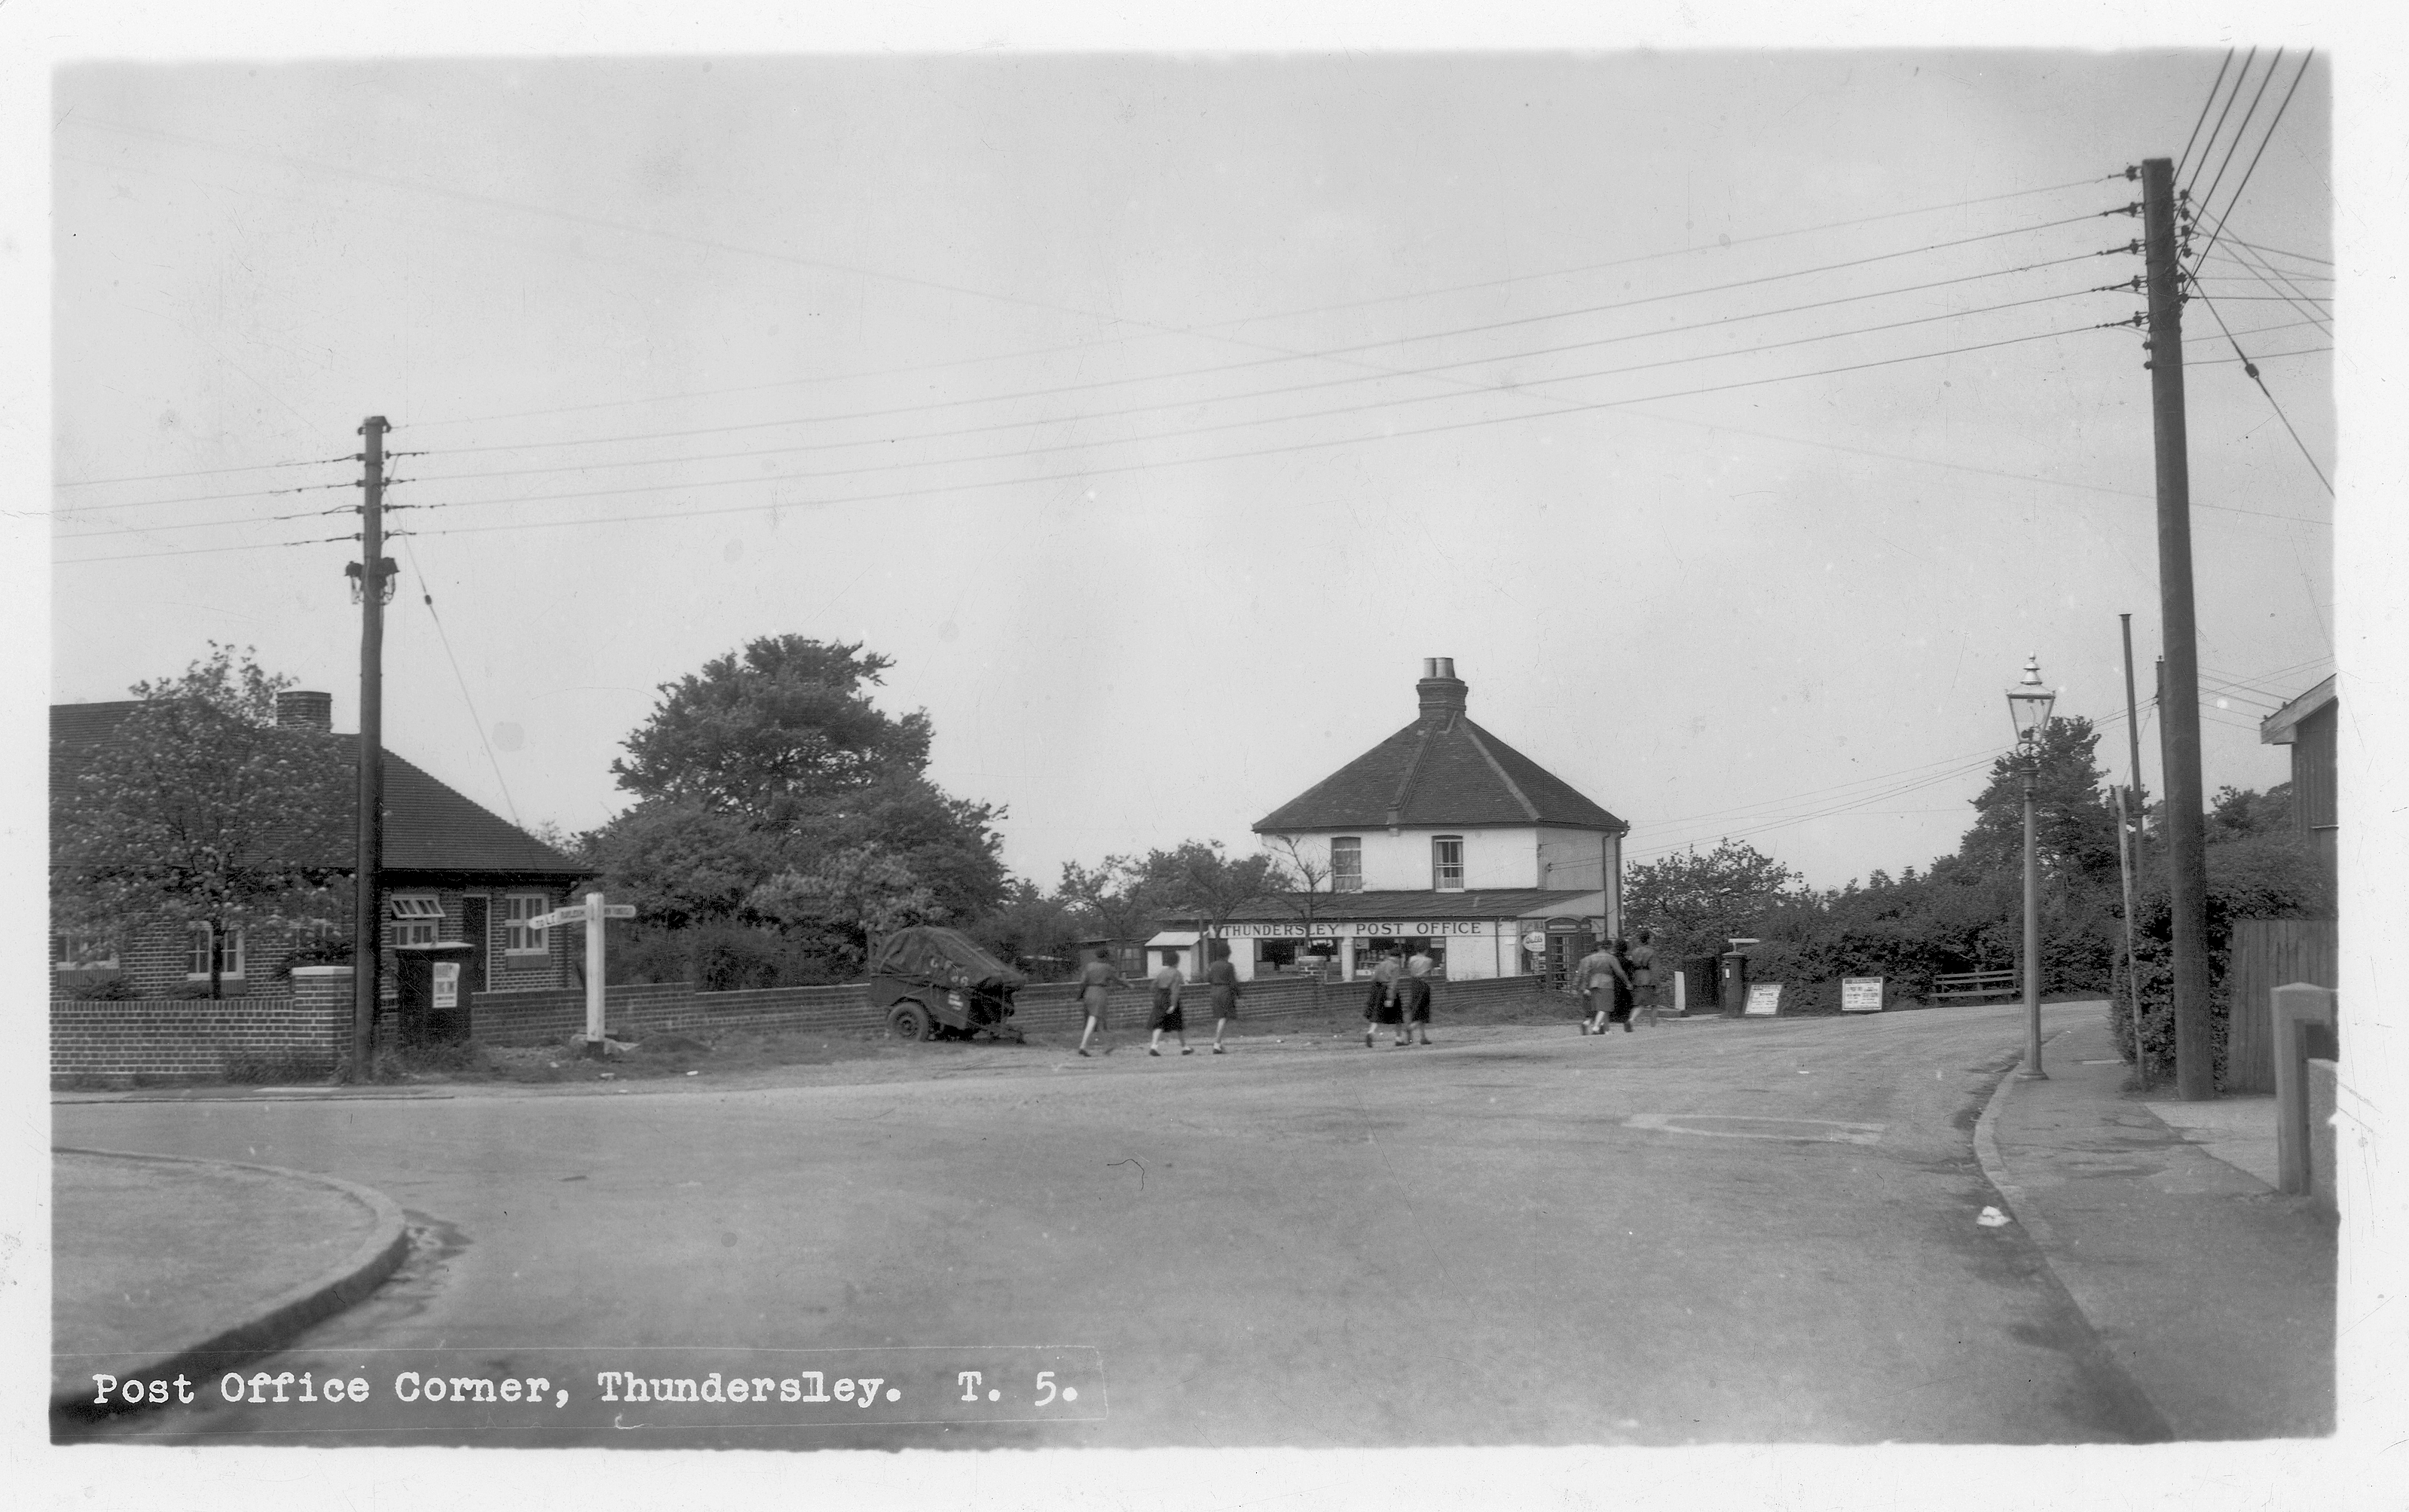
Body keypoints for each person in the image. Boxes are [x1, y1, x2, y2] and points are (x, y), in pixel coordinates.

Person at [1075, 948, 1127, 1058]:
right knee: (1094, 1019)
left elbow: (1083, 981)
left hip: (1088, 992)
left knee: (1098, 1021)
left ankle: (1107, 1046)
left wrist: (1080, 994)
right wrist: (1127, 985)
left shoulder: (1089, 966)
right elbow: (1116, 980)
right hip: (1099, 992)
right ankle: (1083, 1046)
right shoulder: (1107, 968)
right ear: (1106, 957)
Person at [1569, 939, 1628, 1035]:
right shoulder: (1608, 958)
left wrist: (1578, 988)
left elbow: (1582, 974)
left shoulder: (1586, 959)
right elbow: (1619, 972)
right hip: (1603, 984)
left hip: (1590, 985)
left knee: (1594, 1009)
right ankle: (1598, 1027)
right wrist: (1627, 982)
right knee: (1604, 1007)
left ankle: (1595, 1025)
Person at [1148, 950, 1193, 1056]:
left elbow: (1153, 986)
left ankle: (1154, 1046)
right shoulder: (1176, 973)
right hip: (1170, 998)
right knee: (1178, 1024)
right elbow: (1175, 990)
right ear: (1177, 962)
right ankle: (1184, 1047)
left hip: (1160, 997)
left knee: (1159, 1023)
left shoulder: (1161, 972)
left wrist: (1156, 998)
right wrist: (1173, 1004)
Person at [1204, 943, 1241, 1053]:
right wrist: (1239, 994)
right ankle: (1217, 1044)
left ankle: (1219, 1043)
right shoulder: (1229, 966)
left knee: (1222, 1018)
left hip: (1214, 991)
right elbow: (1233, 982)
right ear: (1228, 954)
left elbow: (1208, 978)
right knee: (1224, 1018)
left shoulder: (1212, 965)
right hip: (1225, 992)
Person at [1364, 948, 1404, 1047]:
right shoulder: (1396, 966)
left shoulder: (1381, 964)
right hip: (1389, 990)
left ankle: (1371, 1032)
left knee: (1377, 1014)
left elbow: (1373, 978)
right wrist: (1390, 998)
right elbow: (1393, 983)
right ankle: (1398, 1039)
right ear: (1398, 957)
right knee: (1398, 1016)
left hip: (1379, 990)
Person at [1627, 927, 1661, 1028]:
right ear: (1648, 940)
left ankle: (1631, 1019)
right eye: (1651, 938)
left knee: (1639, 1004)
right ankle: (1653, 1026)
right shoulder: (1652, 952)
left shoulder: (1635, 952)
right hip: (1649, 979)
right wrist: (1657, 984)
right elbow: (1655, 970)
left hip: (1637, 979)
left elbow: (1631, 966)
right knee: (1654, 1005)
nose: (1653, 940)